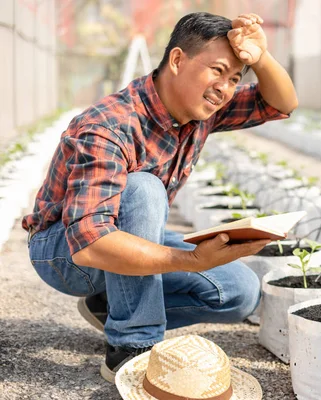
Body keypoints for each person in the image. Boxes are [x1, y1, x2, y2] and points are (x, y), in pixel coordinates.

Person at [22, 11, 297, 383]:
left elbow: (281, 103)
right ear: (178, 59)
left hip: (115, 239)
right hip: (64, 252)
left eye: (234, 78)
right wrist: (190, 260)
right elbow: (90, 243)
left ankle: (111, 306)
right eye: (217, 70)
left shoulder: (202, 110)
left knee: (239, 291)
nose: (224, 87)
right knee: (144, 188)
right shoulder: (110, 124)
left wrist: (261, 58)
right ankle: (132, 346)